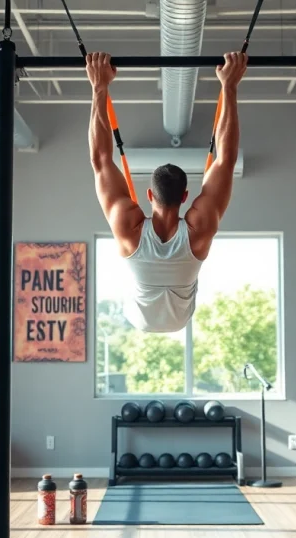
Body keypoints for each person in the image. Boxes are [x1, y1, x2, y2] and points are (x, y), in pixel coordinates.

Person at [85, 51, 247, 333]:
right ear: (185, 197)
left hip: (143, 319)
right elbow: (226, 159)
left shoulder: (129, 226)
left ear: (149, 195)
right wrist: (228, 87)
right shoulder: (198, 231)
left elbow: (100, 159)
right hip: (172, 318)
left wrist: (100, 86)